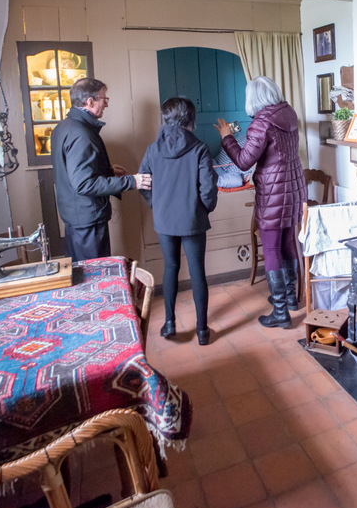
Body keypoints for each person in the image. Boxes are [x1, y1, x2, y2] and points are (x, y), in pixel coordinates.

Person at [215, 76, 305, 329]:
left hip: (274, 191)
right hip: (293, 186)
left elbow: (244, 161)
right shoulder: (288, 113)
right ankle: (289, 298)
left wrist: (227, 137)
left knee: (272, 248)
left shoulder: (261, 123)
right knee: (287, 242)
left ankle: (280, 312)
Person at [139, 97, 218, 345]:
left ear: (165, 118)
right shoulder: (199, 149)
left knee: (170, 267)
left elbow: (143, 182)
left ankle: (170, 323)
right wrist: (203, 209)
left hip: (164, 220)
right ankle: (202, 330)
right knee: (197, 272)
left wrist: (156, 205)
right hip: (192, 219)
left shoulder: (152, 149)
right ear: (190, 119)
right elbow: (208, 188)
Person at [51, 78, 149, 261]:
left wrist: (107, 171)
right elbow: (84, 184)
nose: (107, 104)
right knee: (94, 272)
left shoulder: (63, 127)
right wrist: (132, 181)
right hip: (87, 221)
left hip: (76, 217)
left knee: (80, 270)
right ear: (90, 101)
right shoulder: (82, 134)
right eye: (104, 99)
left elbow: (72, 172)